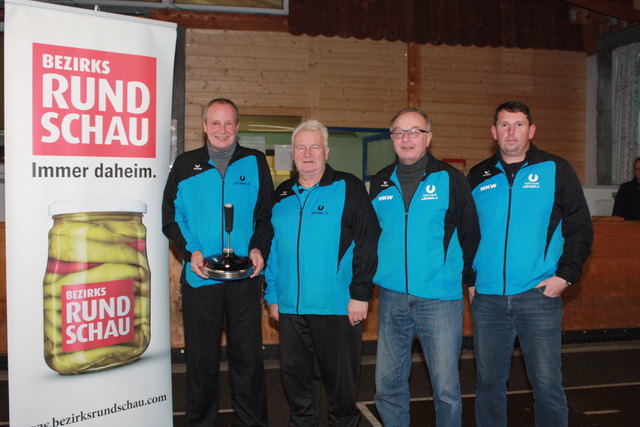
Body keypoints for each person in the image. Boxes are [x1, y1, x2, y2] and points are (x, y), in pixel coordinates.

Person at [467, 101, 593, 427]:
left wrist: (565, 276)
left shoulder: (556, 169)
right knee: (489, 385)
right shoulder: (477, 175)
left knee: (547, 385)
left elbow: (580, 227)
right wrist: (470, 280)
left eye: (519, 124)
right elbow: (466, 234)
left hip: (538, 295)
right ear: (493, 132)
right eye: (505, 125)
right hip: (488, 299)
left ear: (531, 130)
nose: (512, 132)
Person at [162, 98, 272, 426]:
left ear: (237, 127)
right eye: (215, 123)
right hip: (200, 279)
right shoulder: (185, 165)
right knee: (201, 362)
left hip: (245, 281)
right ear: (205, 126)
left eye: (228, 124)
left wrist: (257, 249)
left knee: (248, 360)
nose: (221, 130)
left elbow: (265, 216)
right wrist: (190, 250)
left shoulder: (254, 162)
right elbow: (171, 217)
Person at [264, 119, 380, 426]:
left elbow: (368, 240)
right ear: (292, 153)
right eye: (301, 147)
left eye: (314, 146)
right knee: (297, 391)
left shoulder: (348, 187)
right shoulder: (282, 194)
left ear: (326, 151)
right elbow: (273, 249)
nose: (307, 153)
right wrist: (273, 296)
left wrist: (360, 294)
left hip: (337, 308)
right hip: (291, 310)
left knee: (342, 395)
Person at [370, 107, 480, 427]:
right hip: (391, 297)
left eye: (414, 131)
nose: (406, 138)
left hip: (440, 299)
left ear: (428, 138)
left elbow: (471, 233)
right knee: (388, 386)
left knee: (445, 388)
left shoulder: (450, 179)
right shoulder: (379, 182)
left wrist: (470, 280)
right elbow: (372, 237)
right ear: (391, 138)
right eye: (399, 132)